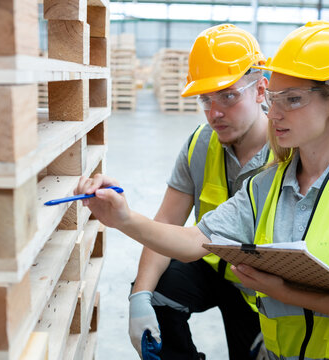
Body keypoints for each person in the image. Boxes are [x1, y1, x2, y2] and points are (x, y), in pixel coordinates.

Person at [77, 21, 329, 359]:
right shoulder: (267, 184)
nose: (273, 113)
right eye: (275, 99)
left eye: (291, 100)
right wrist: (123, 219)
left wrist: (287, 294)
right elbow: (192, 241)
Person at [128, 24, 271, 359]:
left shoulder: (289, 153)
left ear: (261, 90)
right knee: (156, 288)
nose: (214, 112)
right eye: (206, 99)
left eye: (228, 96)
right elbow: (166, 224)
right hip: (210, 265)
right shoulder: (200, 144)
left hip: (263, 289)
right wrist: (140, 296)